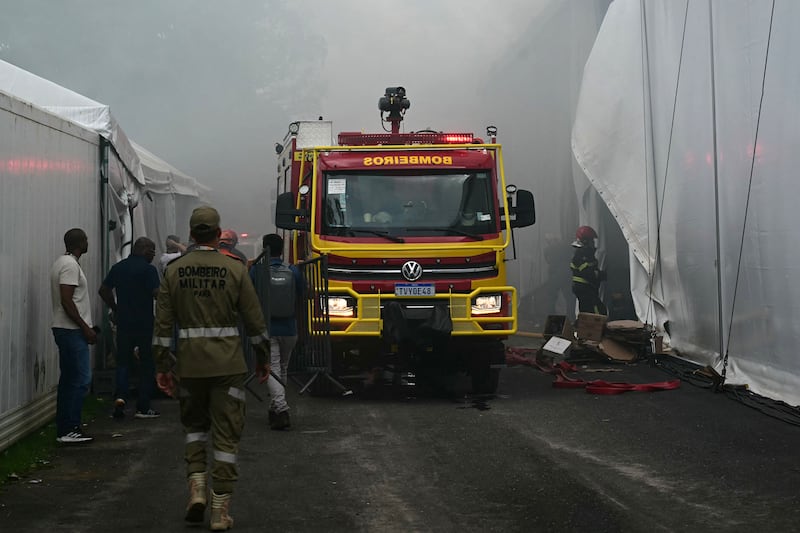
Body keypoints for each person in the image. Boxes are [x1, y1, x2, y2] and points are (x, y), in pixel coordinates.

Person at [152, 205, 270, 530]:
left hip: (190, 367)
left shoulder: (174, 271)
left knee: (194, 429)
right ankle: (220, 510)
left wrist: (162, 366)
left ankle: (197, 491)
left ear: (191, 234)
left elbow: (162, 327)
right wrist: (262, 358)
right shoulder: (235, 270)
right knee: (226, 436)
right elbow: (255, 321)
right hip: (228, 366)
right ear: (219, 235)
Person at [99, 237, 161, 419]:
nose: (153, 256)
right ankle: (143, 406)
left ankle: (120, 399)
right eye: (152, 252)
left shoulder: (119, 267)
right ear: (145, 250)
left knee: (123, 362)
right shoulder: (149, 270)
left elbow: (103, 290)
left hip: (124, 322)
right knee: (146, 363)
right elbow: (156, 293)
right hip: (144, 323)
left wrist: (116, 308)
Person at [250, 233, 303, 431]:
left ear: (265, 249)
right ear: (282, 250)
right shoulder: (293, 270)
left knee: (272, 368)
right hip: (290, 328)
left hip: (267, 328)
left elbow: (249, 296)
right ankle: (274, 408)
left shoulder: (257, 271)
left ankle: (281, 409)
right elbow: (303, 293)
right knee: (282, 368)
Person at [50, 228, 97, 444]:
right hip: (71, 330)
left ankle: (64, 429)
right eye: (86, 239)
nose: (88, 242)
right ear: (80, 242)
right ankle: (71, 428)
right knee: (80, 378)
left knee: (69, 379)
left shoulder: (63, 262)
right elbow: (66, 300)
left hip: (65, 329)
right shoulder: (69, 265)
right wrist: (84, 327)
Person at [570, 225, 607, 315]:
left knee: (586, 312)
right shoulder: (582, 255)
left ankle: (584, 327)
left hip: (585, 288)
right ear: (586, 241)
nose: (593, 243)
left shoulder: (585, 254)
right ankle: (597, 328)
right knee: (597, 311)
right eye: (591, 240)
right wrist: (602, 275)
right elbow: (588, 273)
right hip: (585, 289)